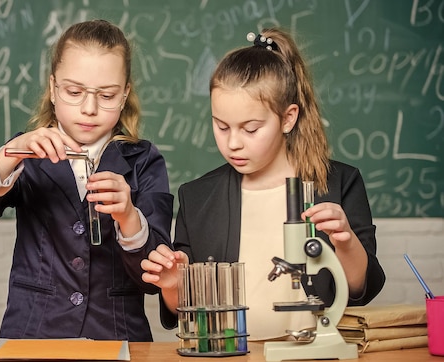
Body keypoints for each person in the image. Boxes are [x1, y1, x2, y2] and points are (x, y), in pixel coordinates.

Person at [140, 28, 385, 341]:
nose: (233, 143)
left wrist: (346, 240)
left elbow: (359, 288)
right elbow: (180, 312)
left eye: (251, 129)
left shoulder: (339, 184)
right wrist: (174, 285)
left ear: (288, 118)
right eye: (221, 126)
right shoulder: (197, 197)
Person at [0, 19, 173, 342]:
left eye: (107, 95)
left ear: (124, 96)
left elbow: (153, 281)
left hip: (117, 337)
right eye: (74, 91)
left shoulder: (143, 160)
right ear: (53, 89)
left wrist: (128, 218)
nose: (89, 109)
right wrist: (10, 154)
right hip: (33, 334)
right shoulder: (25, 152)